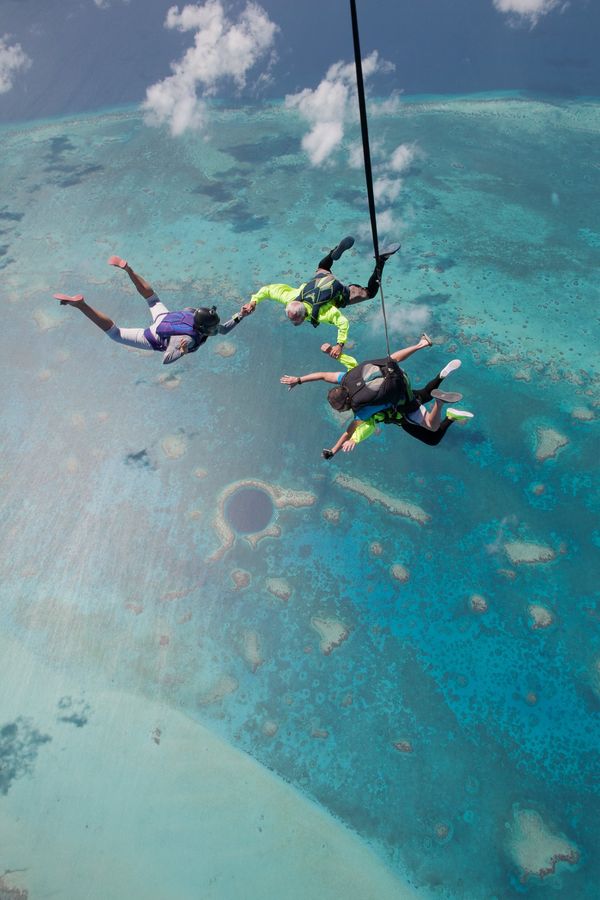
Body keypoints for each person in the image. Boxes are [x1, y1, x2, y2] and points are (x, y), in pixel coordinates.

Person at [280, 337, 473, 458]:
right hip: (398, 377)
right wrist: (299, 379)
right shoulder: (347, 377)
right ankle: (440, 371)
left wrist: (334, 450)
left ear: (346, 404)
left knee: (433, 432)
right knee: (415, 384)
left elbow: (349, 433)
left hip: (403, 407)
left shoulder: (362, 411)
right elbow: (322, 375)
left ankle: (443, 407)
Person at [53, 256, 249, 365]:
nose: (216, 330)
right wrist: (182, 351)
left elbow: (223, 329)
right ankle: (81, 305)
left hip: (166, 317)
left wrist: (241, 315)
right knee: (115, 333)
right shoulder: (188, 340)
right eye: (213, 329)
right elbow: (166, 359)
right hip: (153, 335)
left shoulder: (194, 313)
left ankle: (129, 270)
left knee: (152, 298)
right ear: (205, 329)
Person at [242, 236, 400, 359]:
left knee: (369, 293)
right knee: (323, 267)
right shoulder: (290, 297)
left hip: (341, 293)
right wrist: (253, 301)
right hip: (323, 278)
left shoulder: (324, 313)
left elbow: (343, 323)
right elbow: (268, 290)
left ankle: (381, 260)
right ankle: (333, 254)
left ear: (304, 315)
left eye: (297, 320)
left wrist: (339, 345)